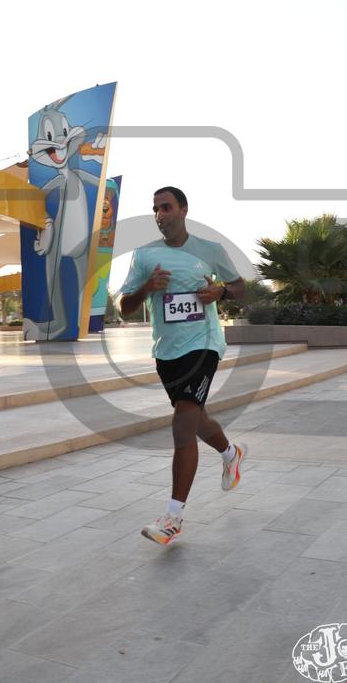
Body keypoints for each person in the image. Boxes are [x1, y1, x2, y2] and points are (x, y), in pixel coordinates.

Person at [120, 186, 246, 545]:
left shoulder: (210, 250)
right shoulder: (145, 255)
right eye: (155, 209)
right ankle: (231, 453)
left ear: (183, 210)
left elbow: (240, 288)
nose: (160, 215)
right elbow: (124, 308)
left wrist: (220, 292)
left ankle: (173, 518)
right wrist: (147, 287)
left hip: (204, 345)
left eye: (166, 207)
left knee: (183, 424)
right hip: (167, 351)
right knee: (194, 416)